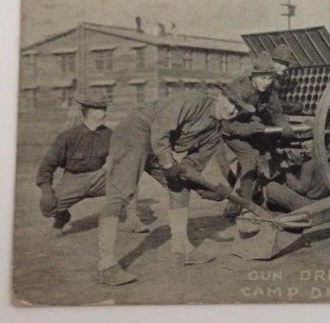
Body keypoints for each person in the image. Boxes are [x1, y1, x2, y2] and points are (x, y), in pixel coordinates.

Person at [96, 88, 251, 286]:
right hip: (136, 130)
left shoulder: (214, 133)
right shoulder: (193, 100)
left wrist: (212, 192)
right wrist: (168, 164)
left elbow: (190, 168)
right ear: (220, 96)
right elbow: (160, 129)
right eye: (232, 103)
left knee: (180, 186)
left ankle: (182, 249)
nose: (233, 110)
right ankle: (106, 265)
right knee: (120, 194)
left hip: (158, 146)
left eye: (239, 108)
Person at [36, 91, 148, 236]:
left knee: (129, 180)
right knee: (47, 208)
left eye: (105, 109)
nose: (105, 113)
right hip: (74, 180)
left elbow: (124, 158)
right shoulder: (68, 136)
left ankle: (133, 220)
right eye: (101, 110)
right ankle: (61, 218)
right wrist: (46, 190)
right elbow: (46, 166)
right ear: (89, 112)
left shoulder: (110, 135)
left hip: (99, 177)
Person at [221, 51, 295, 216]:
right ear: (253, 76)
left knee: (258, 157)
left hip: (249, 128)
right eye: (262, 78)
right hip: (230, 131)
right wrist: (249, 129)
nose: (266, 83)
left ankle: (243, 202)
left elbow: (276, 113)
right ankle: (246, 208)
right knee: (250, 159)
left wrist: (284, 126)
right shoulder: (240, 90)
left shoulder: (269, 91)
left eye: (269, 78)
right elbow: (225, 125)